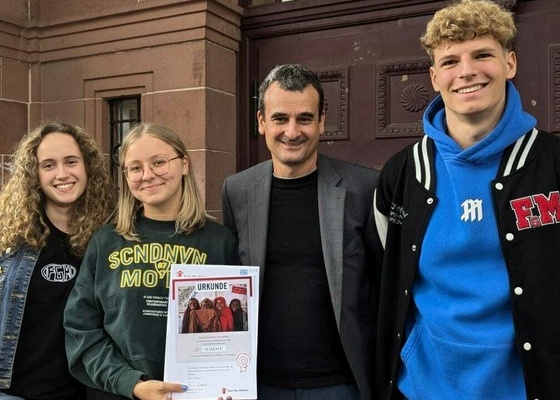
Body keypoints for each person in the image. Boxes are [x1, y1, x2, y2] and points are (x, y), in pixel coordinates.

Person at [373, 1, 560, 399]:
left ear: (510, 63)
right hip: (422, 389)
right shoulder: (402, 174)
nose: (467, 71)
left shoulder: (552, 164)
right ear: (434, 76)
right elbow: (384, 279)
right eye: (450, 61)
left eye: (482, 55)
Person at [222, 64, 382, 400]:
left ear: (321, 121)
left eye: (304, 118)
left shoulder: (365, 187)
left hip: (341, 384)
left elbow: (384, 286)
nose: (292, 132)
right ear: (261, 122)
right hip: (259, 382)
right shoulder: (237, 191)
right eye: (280, 118)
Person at [64, 123, 239, 400]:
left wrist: (225, 383)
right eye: (135, 168)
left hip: (194, 393)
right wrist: (130, 383)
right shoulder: (106, 242)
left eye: (159, 162)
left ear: (184, 164)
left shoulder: (220, 242)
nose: (147, 175)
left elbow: (233, 329)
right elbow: (80, 327)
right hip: (118, 394)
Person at [0, 121, 115, 400]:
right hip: (8, 393)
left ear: (88, 166)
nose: (62, 174)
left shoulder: (110, 231)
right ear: (34, 173)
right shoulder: (0, 228)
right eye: (48, 165)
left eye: (71, 161)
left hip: (85, 391)